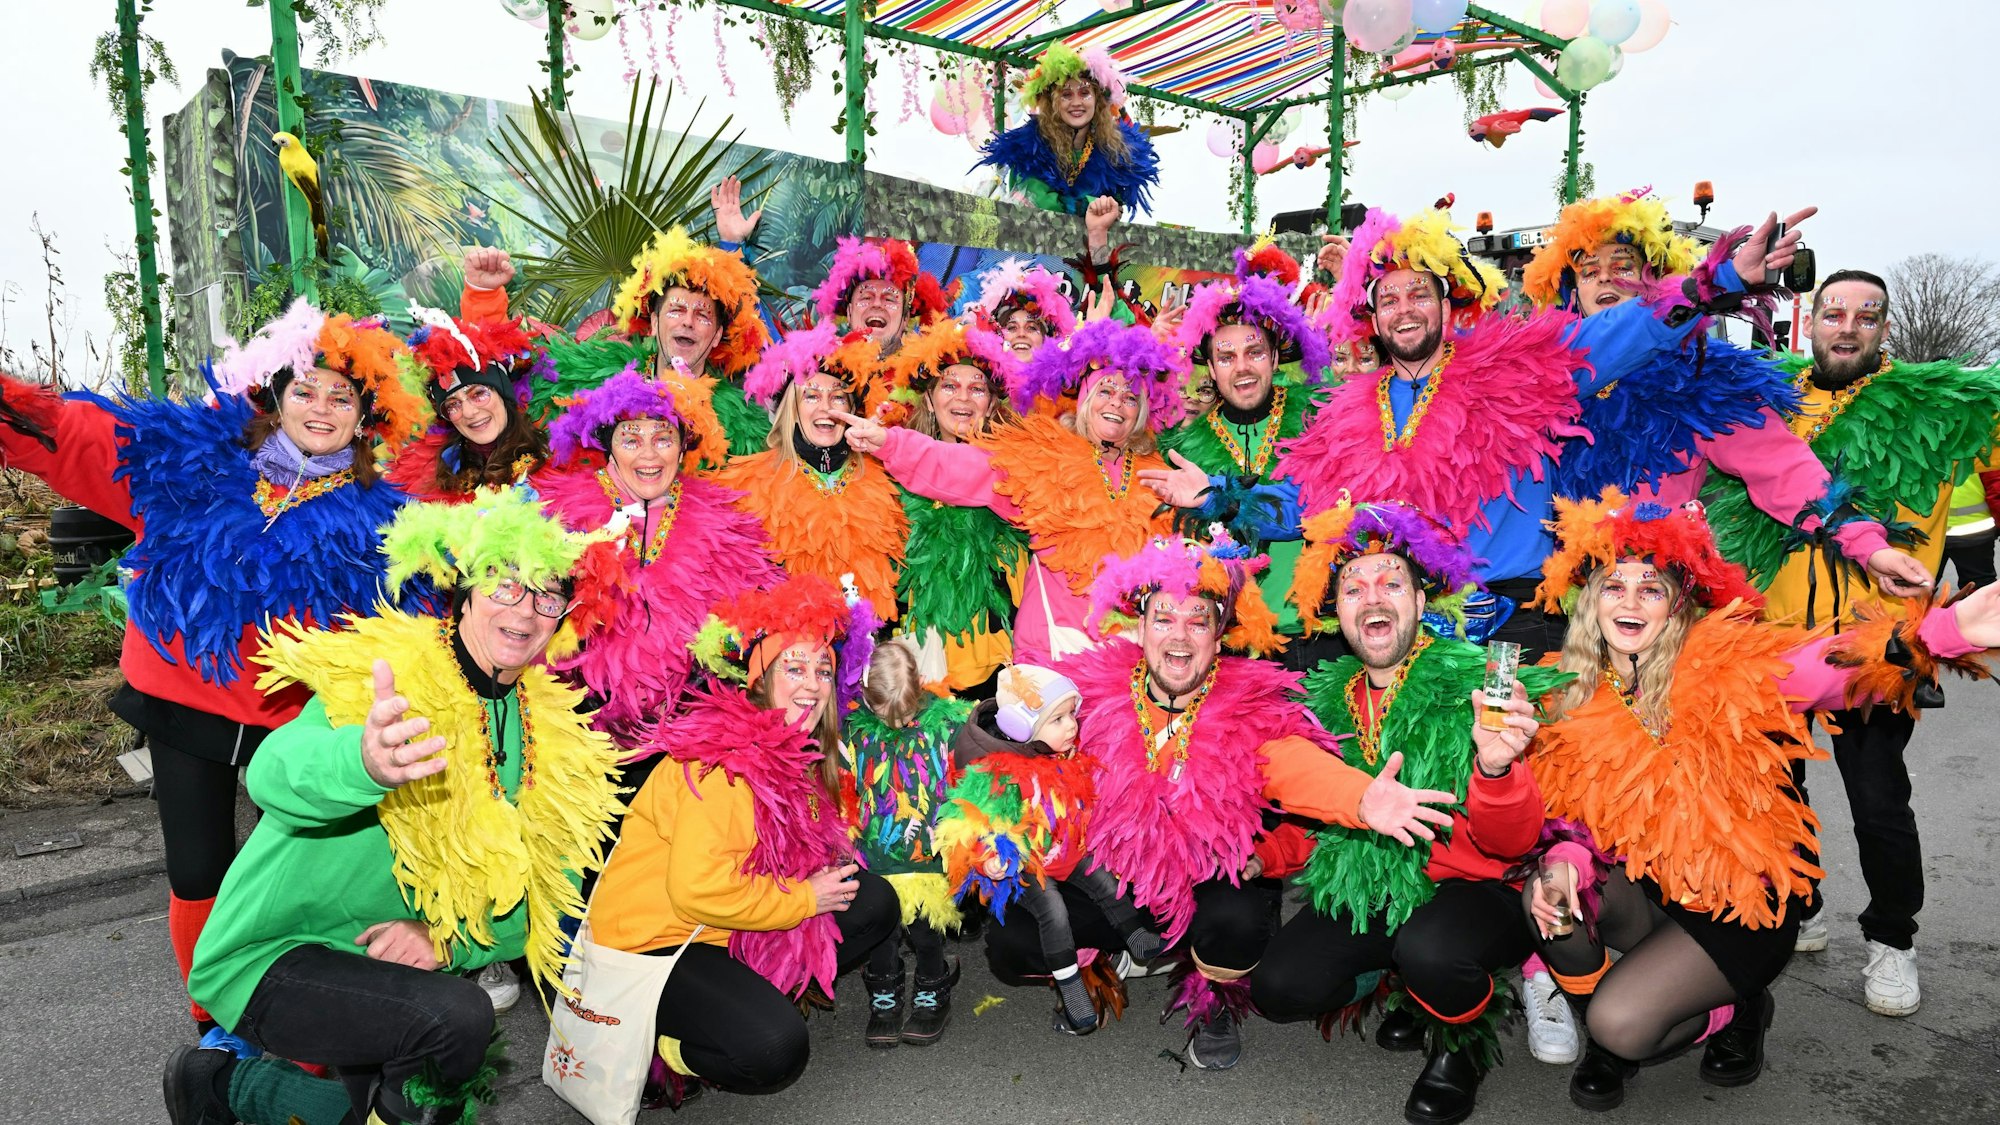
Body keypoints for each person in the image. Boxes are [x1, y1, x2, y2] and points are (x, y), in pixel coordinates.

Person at [0, 301, 427, 1034]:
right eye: (305, 389)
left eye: (341, 395)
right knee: (198, 872)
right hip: (183, 705)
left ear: (366, 417)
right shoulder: (187, 467)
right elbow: (70, 435)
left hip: (294, 726)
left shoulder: (387, 519)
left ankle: (294, 1017)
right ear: (273, 396)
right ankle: (216, 1025)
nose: (321, 406)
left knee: (290, 884)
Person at [1154, 205, 1807, 660]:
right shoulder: (1349, 408)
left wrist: (1721, 278)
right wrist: (1221, 495)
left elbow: (1623, 331)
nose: (1403, 308)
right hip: (1411, 632)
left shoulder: (1517, 368)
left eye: (1418, 293)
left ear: (1446, 302)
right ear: (1371, 316)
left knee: (1521, 820)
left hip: (1514, 627)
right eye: (1388, 298)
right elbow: (1309, 504)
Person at [1523, 491, 2000, 1110]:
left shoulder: (1731, 663)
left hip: (1737, 903)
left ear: (1679, 604)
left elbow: (1825, 666)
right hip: (1648, 884)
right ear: (1590, 602)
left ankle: (1734, 1006)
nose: (1632, 601)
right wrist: (1567, 865)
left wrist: (1943, 630)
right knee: (1548, 897)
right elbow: (1562, 812)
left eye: (1652, 587)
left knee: (1623, 1023)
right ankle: (1619, 1017)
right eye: (1615, 586)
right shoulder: (1560, 690)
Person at [165, 486, 625, 1125]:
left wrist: (446, 941)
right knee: (455, 1023)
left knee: (431, 1094)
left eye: (547, 596)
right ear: (463, 593)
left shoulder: (558, 735)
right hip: (277, 954)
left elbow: (548, 902)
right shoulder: (385, 672)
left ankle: (224, 1089)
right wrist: (362, 762)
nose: (525, 610)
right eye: (503, 584)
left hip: (393, 964)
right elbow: (271, 775)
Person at [977, 536, 1462, 1071]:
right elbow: (1013, 753)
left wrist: (1362, 797)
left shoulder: (1248, 704)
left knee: (1240, 911)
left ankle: (1212, 998)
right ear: (1140, 629)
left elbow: (1291, 762)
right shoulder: (1087, 696)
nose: (1179, 637)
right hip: (1113, 882)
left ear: (1218, 636)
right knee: (1012, 935)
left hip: (1205, 880)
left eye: (1197, 621)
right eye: (1164, 619)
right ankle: (1117, 957)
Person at [1702, 269, 2000, 1014]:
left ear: (1884, 330)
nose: (1847, 326)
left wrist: (1969, 582)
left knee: (1877, 802)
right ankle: (1802, 905)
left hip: (1879, 641)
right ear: (1811, 322)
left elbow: (1976, 490)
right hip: (1767, 638)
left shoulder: (1937, 402)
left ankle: (1892, 942)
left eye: (1865, 316)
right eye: (1833, 312)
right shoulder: (1770, 397)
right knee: (1780, 794)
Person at [1252, 499, 1570, 1125]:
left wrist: (1497, 769)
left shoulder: (1474, 681)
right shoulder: (1322, 697)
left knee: (1431, 946)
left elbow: (1514, 843)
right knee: (1280, 989)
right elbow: (1305, 819)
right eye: (1354, 586)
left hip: (1477, 890)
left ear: (1422, 604)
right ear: (1336, 611)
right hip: (1373, 882)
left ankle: (1461, 1040)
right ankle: (1400, 980)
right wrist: (1248, 855)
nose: (1373, 597)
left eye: (1392, 582)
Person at [588, 575, 898, 1104]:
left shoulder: (800, 750)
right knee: (774, 1050)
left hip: (722, 926)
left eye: (823, 670)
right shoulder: (724, 765)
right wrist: (804, 900)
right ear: (761, 679)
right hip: (657, 941)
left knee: (872, 900)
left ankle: (742, 997)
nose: (813, 683)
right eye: (794, 668)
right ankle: (666, 1046)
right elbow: (696, 892)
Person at [841, 318, 1181, 663]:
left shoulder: (1158, 476)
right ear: (1084, 400)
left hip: (1131, 654)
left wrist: (1204, 501)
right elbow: (960, 468)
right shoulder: (1045, 456)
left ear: (1140, 412)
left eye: (1129, 397)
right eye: (1105, 391)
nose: (1116, 404)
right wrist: (889, 442)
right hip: (1054, 655)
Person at [533, 363, 781, 750]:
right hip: (573, 735)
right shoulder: (557, 514)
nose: (649, 455)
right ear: (608, 448)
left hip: (688, 744)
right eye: (631, 440)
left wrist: (729, 647)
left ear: (683, 447)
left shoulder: (727, 526)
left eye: (664, 438)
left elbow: (759, 623)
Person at [936, 663, 1165, 1036]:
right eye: (1058, 719)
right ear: (1024, 728)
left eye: (1073, 713)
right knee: (1053, 910)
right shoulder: (998, 773)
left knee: (1104, 879)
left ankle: (1135, 934)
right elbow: (972, 823)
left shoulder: (1063, 754)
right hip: (1029, 863)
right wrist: (988, 858)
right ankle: (1070, 981)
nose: (1072, 725)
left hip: (1066, 850)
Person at [1148, 260, 1333, 667]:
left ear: (1273, 358)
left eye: (1254, 352)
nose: (1243, 367)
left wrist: (1217, 497)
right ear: (1211, 369)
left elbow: (1316, 508)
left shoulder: (1316, 418)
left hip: (1318, 634)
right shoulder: (1186, 446)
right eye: (1227, 357)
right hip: (1226, 643)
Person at [715, 321, 908, 620]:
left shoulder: (884, 485)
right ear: (790, 407)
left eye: (838, 396)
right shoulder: (746, 488)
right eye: (812, 396)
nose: (826, 408)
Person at [882, 318, 1029, 694]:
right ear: (929, 399)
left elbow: (964, 474)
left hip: (999, 674)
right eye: (949, 385)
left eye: (976, 389)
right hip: (915, 673)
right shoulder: (890, 479)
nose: (962, 398)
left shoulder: (1017, 469)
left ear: (993, 402)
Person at [845, 639, 973, 1048]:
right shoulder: (851, 730)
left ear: (919, 689)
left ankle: (933, 983)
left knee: (926, 929)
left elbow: (973, 779)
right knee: (881, 932)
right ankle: (885, 993)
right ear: (865, 694)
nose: (897, 724)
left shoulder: (948, 724)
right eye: (885, 713)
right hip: (876, 858)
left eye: (906, 713)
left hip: (928, 859)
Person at [975, 43, 1159, 216]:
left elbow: (1117, 201)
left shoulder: (1115, 150)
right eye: (1066, 95)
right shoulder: (1028, 146)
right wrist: (1090, 206)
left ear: (1098, 101)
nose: (1077, 103)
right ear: (1053, 103)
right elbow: (1038, 202)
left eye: (1085, 93)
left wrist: (1106, 208)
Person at [387, 309, 548, 501]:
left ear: (503, 393)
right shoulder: (431, 479)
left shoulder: (554, 455)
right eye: (453, 405)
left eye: (479, 394)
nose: (469, 412)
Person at [811, 236, 955, 356]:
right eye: (866, 297)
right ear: (849, 313)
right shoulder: (823, 376)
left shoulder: (927, 382)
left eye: (889, 298)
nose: (877, 304)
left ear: (905, 319)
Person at [967, 256, 1080, 362]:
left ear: (1048, 339)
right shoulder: (978, 378)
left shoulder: (1070, 381)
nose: (1021, 334)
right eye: (1011, 327)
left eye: (1031, 327)